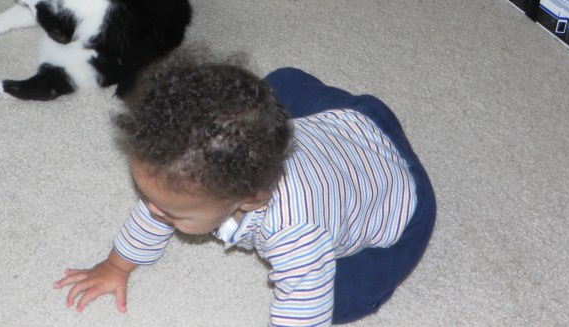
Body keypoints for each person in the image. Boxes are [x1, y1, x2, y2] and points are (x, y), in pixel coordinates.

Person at [54, 53, 436, 325]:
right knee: (273, 88)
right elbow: (160, 203)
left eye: (170, 212)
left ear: (252, 199)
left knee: (338, 300)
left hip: (403, 205)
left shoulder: (295, 232)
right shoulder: (194, 178)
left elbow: (302, 314)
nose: (152, 210)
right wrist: (116, 264)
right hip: (354, 121)